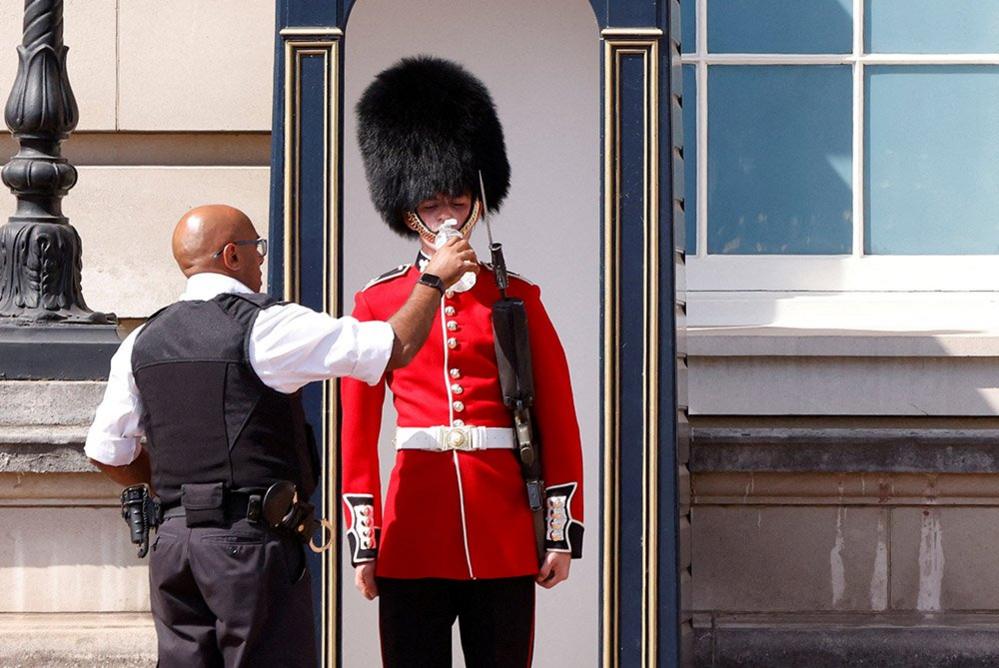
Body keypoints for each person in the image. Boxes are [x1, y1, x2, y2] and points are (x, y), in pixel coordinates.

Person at [84, 203, 478, 667]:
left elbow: (106, 451)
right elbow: (396, 346)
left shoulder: (141, 340)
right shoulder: (265, 325)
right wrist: (433, 279)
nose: (262, 261)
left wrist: (172, 493)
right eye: (257, 249)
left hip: (174, 547)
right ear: (232, 255)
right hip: (248, 547)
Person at [342, 56, 585, 667]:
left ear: (478, 204)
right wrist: (364, 541)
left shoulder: (518, 298)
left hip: (501, 528)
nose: (448, 216)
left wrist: (560, 531)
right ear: (408, 216)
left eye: (458, 200)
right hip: (412, 528)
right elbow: (357, 432)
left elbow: (559, 419)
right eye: (432, 204)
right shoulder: (377, 302)